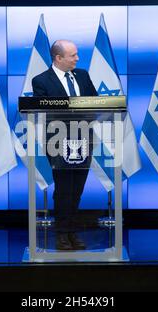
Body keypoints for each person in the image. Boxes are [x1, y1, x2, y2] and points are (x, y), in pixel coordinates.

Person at [32, 40, 98, 250]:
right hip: (58, 140)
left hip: (84, 138)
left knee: (77, 188)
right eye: (73, 55)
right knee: (63, 189)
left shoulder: (83, 75)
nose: (77, 59)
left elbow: (95, 102)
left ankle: (72, 232)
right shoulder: (41, 81)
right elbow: (45, 112)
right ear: (58, 58)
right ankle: (61, 234)